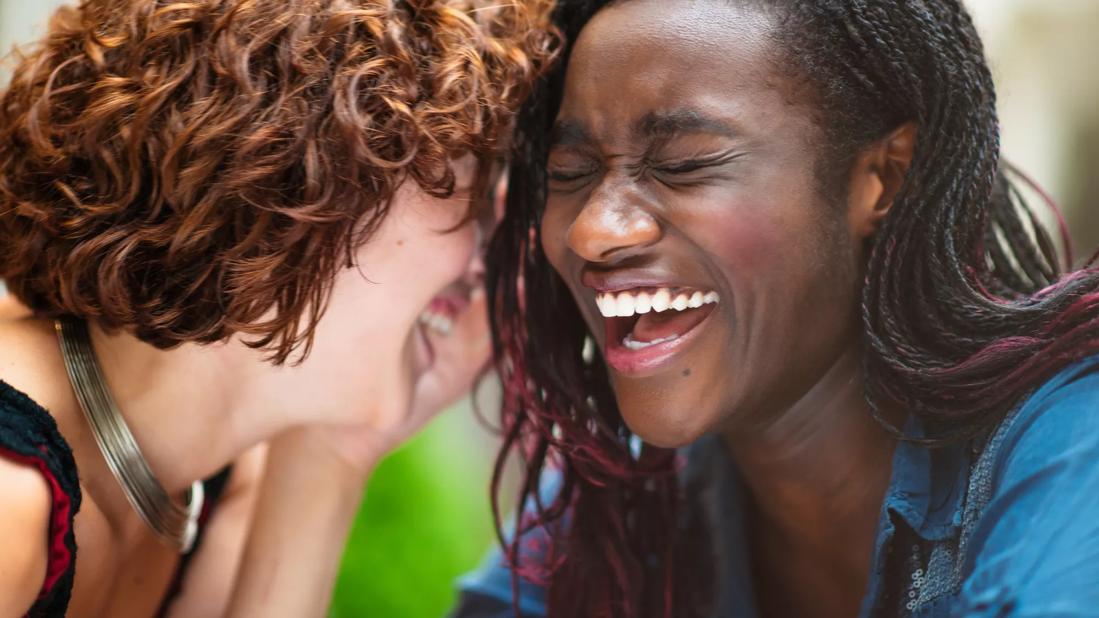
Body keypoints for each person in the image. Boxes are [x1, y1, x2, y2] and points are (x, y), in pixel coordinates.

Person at [453, 1, 1099, 617]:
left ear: (883, 179)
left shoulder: (1070, 446)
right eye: (570, 171)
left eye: (683, 163)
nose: (594, 229)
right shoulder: (626, 509)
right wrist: (351, 436)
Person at [0, 0, 555, 615]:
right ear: (300, 188)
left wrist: (340, 451)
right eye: (472, 188)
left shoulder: (212, 476)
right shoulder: (8, 495)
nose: (494, 251)